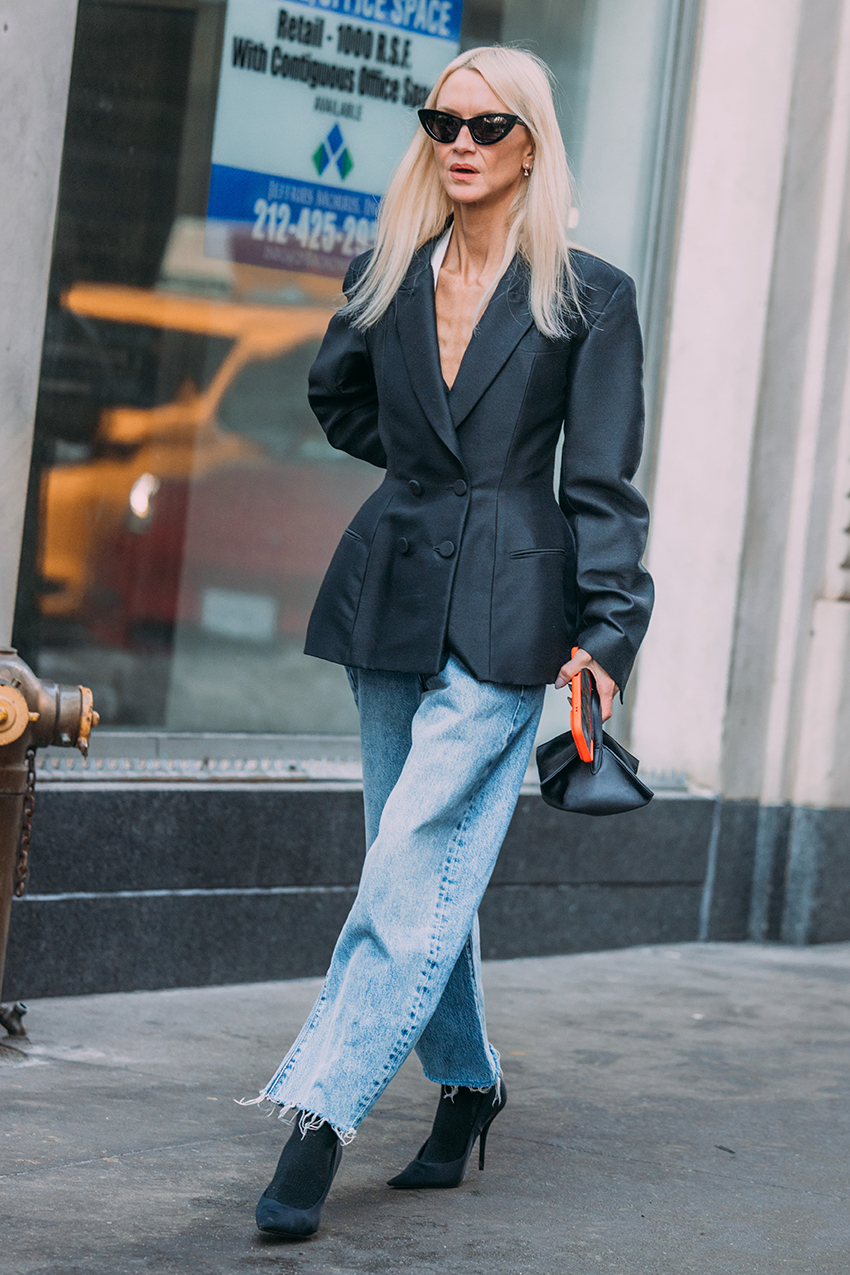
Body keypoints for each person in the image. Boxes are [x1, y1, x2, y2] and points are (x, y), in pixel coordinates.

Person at [247, 44, 654, 1239]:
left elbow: (604, 486)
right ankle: (470, 1087)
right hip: (391, 589)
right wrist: (434, 479)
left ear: (530, 142)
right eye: (441, 122)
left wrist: (607, 636)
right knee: (415, 872)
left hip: (513, 613)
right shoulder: (390, 273)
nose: (459, 142)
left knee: (407, 863)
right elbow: (338, 397)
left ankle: (318, 1115)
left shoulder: (589, 294)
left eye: (486, 124)